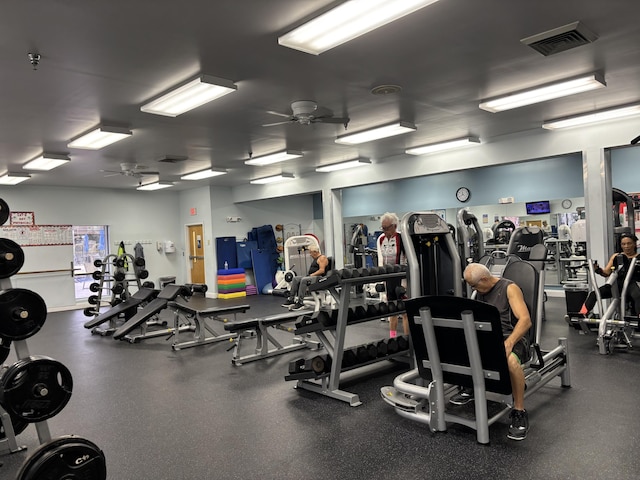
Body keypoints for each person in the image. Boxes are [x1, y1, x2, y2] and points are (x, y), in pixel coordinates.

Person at [452, 263, 532, 441]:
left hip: (513, 338)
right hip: (488, 337)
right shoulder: (479, 293)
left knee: (510, 361)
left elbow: (525, 321)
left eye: (474, 285)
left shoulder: (509, 288)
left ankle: (519, 410)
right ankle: (469, 387)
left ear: (485, 279)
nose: (474, 289)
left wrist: (509, 343)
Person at [578, 233, 640, 317]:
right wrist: (596, 269)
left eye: (629, 243)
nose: (626, 246)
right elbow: (606, 273)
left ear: (634, 244)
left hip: (632, 285)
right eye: (623, 244)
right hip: (616, 284)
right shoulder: (616, 256)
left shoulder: (638, 257)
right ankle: (582, 314)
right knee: (594, 294)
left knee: (637, 295)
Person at [378, 212, 409, 338]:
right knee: (392, 309)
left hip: (402, 278)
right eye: (383, 228)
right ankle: (393, 338)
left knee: (405, 310)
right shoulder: (381, 239)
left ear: (394, 226)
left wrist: (405, 281)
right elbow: (382, 260)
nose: (385, 231)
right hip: (389, 278)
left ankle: (408, 339)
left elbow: (408, 258)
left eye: (387, 228)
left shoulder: (402, 238)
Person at [282, 246, 329, 310]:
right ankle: (291, 299)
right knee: (296, 279)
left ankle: (300, 302)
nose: (310, 254)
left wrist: (312, 275)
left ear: (315, 252)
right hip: (313, 277)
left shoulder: (322, 258)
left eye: (311, 253)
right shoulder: (316, 259)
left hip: (320, 278)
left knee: (304, 280)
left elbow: (322, 270)